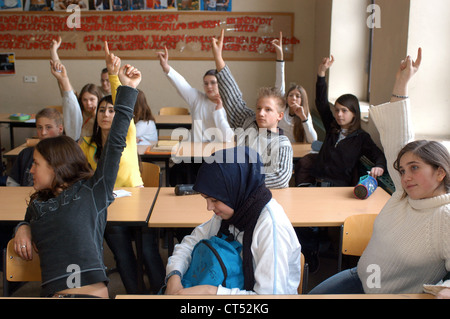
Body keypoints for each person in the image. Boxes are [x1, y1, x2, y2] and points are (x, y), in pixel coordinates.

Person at [310, 48, 450, 296]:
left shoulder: (444, 217)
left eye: (415, 168)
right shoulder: (404, 194)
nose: (405, 177)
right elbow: (399, 138)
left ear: (440, 173)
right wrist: (401, 83)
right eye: (403, 170)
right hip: (359, 276)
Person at [13, 63, 142, 298]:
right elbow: (28, 218)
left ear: (55, 166)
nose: (30, 170)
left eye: (36, 164)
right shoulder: (37, 204)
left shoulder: (92, 192)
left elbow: (115, 143)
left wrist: (128, 88)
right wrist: (22, 227)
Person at [165, 146, 301, 295]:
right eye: (206, 199)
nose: (209, 207)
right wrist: (174, 275)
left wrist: (211, 292)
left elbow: (270, 298)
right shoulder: (233, 211)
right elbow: (190, 243)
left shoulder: (271, 228)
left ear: (236, 191)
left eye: (215, 200)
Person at [93, 43, 164, 294]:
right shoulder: (86, 146)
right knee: (123, 256)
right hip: (107, 204)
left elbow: (122, 106)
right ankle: (137, 295)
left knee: (147, 250)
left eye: (111, 110)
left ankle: (160, 294)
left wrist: (115, 77)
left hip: (136, 197)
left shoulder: (127, 133)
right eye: (101, 110)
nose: (106, 114)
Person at [211, 29, 293, 189]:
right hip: (240, 196)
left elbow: (280, 178)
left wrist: (243, 179)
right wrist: (218, 58)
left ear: (280, 116)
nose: (261, 113)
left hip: (267, 199)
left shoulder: (283, 144)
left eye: (268, 110)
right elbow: (232, 97)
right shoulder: (247, 123)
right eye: (258, 108)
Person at [300, 55, 386, 187]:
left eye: (344, 111)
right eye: (337, 110)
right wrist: (321, 73)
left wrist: (379, 166)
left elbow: (378, 155)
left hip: (338, 188)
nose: (339, 114)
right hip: (317, 183)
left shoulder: (361, 138)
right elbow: (321, 103)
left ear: (354, 113)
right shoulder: (332, 127)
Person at [156, 46, 233, 143]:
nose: (209, 86)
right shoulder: (197, 99)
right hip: (195, 150)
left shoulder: (229, 104)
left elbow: (228, 137)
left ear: (220, 84)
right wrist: (165, 66)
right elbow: (181, 84)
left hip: (217, 152)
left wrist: (219, 111)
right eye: (206, 83)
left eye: (213, 83)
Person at [50, 36, 101, 139]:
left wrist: (97, 117)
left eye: (92, 99)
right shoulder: (75, 106)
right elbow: (62, 78)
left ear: (98, 99)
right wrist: (53, 52)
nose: (88, 103)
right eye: (85, 100)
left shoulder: (104, 114)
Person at [272, 32, 318, 145]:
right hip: (280, 149)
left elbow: (313, 140)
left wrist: (304, 118)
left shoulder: (305, 114)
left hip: (297, 153)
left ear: (302, 100)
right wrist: (280, 55)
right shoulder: (282, 109)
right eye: (291, 95)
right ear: (286, 98)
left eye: (298, 96)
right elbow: (280, 82)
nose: (293, 98)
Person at [6, 108, 64, 187]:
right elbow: (12, 182)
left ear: (60, 129)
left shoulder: (66, 155)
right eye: (39, 128)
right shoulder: (26, 154)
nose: (43, 133)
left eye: (48, 127)